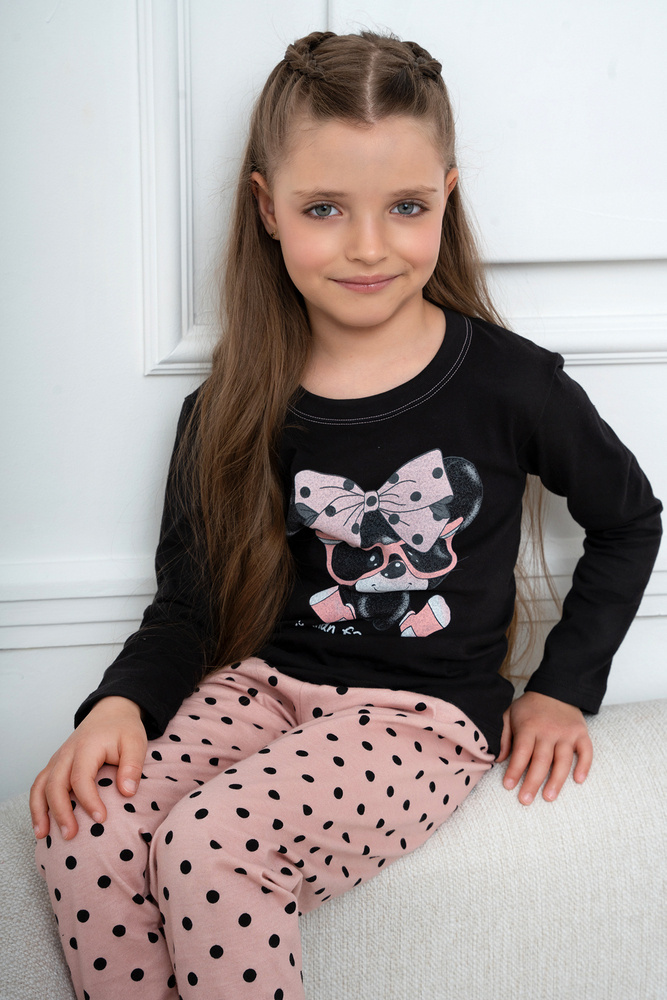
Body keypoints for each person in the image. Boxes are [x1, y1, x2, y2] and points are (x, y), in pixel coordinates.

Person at [31, 29, 661, 1000]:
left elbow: (628, 519)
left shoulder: (510, 383)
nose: (368, 245)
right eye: (324, 208)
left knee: (210, 842)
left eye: (405, 207)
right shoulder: (228, 404)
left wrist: (562, 687)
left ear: (446, 197)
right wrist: (121, 702)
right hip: (262, 689)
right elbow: (187, 604)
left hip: (420, 722)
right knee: (85, 829)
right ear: (267, 209)